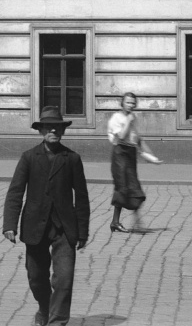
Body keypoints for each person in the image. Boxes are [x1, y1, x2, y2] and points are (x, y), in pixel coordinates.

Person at [3, 106, 90, 326]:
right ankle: (44, 307)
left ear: (63, 131)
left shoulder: (72, 159)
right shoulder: (29, 157)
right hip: (35, 227)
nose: (53, 130)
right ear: (41, 130)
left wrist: (82, 231)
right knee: (36, 278)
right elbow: (15, 192)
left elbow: (81, 197)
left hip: (64, 228)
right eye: (48, 127)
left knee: (64, 279)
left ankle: (57, 321)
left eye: (57, 127)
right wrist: (9, 225)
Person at [107, 92, 163, 234]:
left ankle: (133, 222)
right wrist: (128, 121)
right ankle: (118, 221)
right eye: (128, 102)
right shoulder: (117, 118)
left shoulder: (133, 118)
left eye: (133, 103)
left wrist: (152, 157)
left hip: (130, 154)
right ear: (122, 103)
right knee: (122, 187)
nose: (131, 105)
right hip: (120, 153)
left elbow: (138, 140)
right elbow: (120, 135)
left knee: (134, 188)